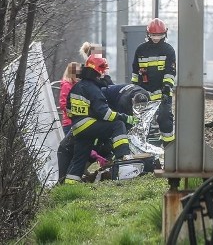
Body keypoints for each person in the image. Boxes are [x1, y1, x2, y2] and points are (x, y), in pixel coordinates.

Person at [63, 55, 137, 184]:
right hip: (87, 125)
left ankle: (70, 185)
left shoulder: (77, 86)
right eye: (102, 70)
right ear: (97, 71)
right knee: (118, 125)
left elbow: (68, 109)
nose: (104, 74)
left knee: (79, 158)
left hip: (77, 128)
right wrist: (125, 118)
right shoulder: (93, 89)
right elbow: (105, 114)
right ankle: (124, 160)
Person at [131, 18, 175, 146]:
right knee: (143, 122)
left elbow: (170, 71)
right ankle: (147, 149)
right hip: (144, 93)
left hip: (163, 93)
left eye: (159, 35)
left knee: (165, 119)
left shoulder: (168, 50)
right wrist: (134, 89)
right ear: (148, 34)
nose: (156, 38)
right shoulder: (141, 50)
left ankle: (169, 146)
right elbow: (135, 71)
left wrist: (167, 87)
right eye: (153, 35)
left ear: (164, 34)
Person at [58, 62, 81, 135]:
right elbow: (63, 104)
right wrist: (74, 113)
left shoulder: (76, 85)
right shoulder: (66, 85)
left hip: (77, 121)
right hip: (69, 122)